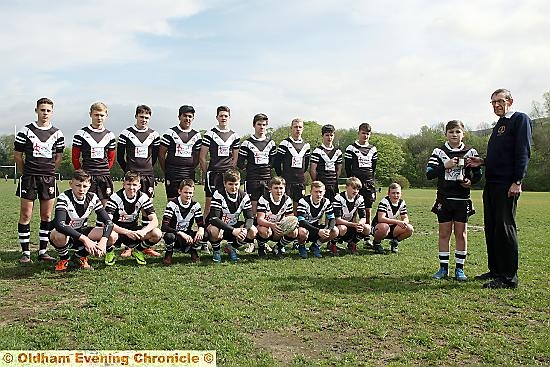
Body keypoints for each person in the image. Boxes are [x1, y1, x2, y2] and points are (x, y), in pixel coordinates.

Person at [467, 88, 533, 289]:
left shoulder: (519, 119)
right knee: (492, 227)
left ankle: (509, 277)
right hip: (492, 183)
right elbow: (500, 155)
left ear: (510, 101)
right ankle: (495, 270)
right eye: (493, 102)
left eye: (500, 101)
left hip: (507, 184)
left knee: (505, 227)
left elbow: (523, 152)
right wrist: (483, 161)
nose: (496, 105)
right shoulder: (499, 125)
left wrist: (517, 181)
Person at [427, 120, 482, 281]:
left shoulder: (471, 152)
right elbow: (429, 173)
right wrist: (445, 165)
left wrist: (470, 182)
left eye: (457, 132)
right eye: (451, 132)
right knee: (444, 234)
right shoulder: (439, 151)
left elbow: (478, 175)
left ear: (463, 134)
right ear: (446, 134)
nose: (454, 135)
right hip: (444, 199)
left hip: (462, 199)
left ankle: (460, 269)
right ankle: (443, 268)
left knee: (461, 234)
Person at [14, 97, 65, 264]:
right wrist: (26, 173)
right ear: (36, 110)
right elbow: (17, 155)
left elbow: (58, 157)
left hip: (48, 178)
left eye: (48, 110)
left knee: (46, 215)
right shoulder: (26, 131)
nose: (45, 113)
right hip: (29, 177)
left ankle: (43, 251)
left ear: (52, 112)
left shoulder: (58, 133)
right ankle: (26, 253)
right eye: (42, 110)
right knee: (26, 214)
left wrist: (49, 172)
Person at [49, 170, 118, 271]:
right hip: (65, 234)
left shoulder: (93, 198)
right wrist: (86, 240)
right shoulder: (64, 197)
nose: (81, 189)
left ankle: (79, 257)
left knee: (112, 236)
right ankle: (64, 259)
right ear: (71, 184)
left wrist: (103, 241)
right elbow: (60, 224)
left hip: (80, 231)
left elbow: (109, 222)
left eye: (84, 186)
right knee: (59, 235)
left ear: (89, 185)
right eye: (78, 185)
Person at [117, 105, 162, 258]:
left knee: (146, 209)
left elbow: (154, 156)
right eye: (141, 117)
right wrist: (129, 172)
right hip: (132, 175)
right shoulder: (126, 133)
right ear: (136, 116)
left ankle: (142, 245)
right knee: (129, 207)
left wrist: (146, 169)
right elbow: (119, 157)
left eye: (147, 117)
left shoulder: (154, 135)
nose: (144, 120)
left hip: (148, 176)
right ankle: (128, 245)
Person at [103, 171, 162, 266]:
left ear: (139, 186)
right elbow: (107, 222)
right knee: (110, 235)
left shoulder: (143, 197)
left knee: (157, 233)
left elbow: (155, 221)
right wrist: (126, 232)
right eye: (128, 184)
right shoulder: (115, 197)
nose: (131, 187)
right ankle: (110, 251)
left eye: (134, 184)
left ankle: (138, 250)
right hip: (118, 232)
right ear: (123, 185)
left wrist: (143, 231)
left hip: (134, 231)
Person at [206, 169, 257, 263]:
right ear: (224, 183)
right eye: (230, 184)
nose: (234, 187)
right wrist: (233, 230)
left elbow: (249, 217)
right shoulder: (218, 194)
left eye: (236, 184)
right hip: (220, 226)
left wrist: (245, 229)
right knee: (214, 230)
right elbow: (214, 218)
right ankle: (216, 251)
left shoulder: (244, 196)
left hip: (234, 226)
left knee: (253, 231)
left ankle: (231, 248)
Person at [72, 102, 116, 205]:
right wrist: (82, 173)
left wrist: (102, 170)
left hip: (104, 176)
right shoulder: (81, 134)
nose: (99, 118)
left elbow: (111, 158)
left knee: (106, 210)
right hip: (87, 175)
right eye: (96, 115)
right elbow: (75, 158)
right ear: (90, 114)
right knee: (83, 209)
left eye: (102, 115)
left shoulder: (110, 135)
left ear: (106, 115)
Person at [200, 106, 240, 218]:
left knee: (226, 205)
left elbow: (235, 158)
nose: (223, 118)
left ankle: (223, 230)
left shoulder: (234, 136)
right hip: (213, 173)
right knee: (209, 205)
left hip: (227, 174)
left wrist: (231, 171)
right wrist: (205, 173)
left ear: (229, 117)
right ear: (217, 117)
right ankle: (203, 230)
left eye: (226, 116)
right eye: (221, 115)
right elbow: (202, 157)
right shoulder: (209, 134)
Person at [158, 105, 202, 200]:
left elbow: (197, 156)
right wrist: (166, 170)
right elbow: (161, 154)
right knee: (172, 203)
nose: (187, 118)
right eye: (185, 116)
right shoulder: (170, 133)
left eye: (190, 116)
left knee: (187, 202)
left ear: (193, 118)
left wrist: (190, 167)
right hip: (172, 173)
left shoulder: (197, 135)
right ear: (179, 117)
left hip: (188, 174)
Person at [344, 123, 377, 247]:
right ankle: (352, 236)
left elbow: (373, 168)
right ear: (358, 133)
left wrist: (370, 180)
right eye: (363, 133)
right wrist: (352, 181)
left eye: (368, 133)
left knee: (368, 211)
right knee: (353, 210)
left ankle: (366, 236)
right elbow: (348, 167)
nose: (365, 136)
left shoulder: (373, 149)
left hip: (368, 184)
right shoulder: (351, 148)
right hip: (355, 183)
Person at [237, 113, 277, 215]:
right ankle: (252, 229)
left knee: (267, 207)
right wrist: (250, 169)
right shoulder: (247, 143)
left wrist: (266, 168)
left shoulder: (271, 143)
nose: (262, 127)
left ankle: (263, 230)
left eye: (264, 125)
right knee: (252, 207)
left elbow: (273, 162)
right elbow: (240, 163)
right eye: (259, 124)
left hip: (267, 179)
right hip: (252, 179)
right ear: (254, 125)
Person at [161, 179, 205, 265]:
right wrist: (180, 233)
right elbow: (164, 226)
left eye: (190, 193)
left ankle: (193, 250)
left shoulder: (195, 205)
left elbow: (200, 223)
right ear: (179, 191)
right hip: (175, 235)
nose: (188, 195)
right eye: (185, 192)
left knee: (205, 234)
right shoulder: (172, 204)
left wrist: (201, 229)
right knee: (169, 236)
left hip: (188, 236)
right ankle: (169, 253)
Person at [274, 118, 311, 214]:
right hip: (287, 180)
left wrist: (300, 174)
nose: (298, 129)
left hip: (299, 181)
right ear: (291, 128)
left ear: (303, 129)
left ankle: (296, 226)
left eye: (300, 127)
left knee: (298, 207)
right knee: (285, 207)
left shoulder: (306, 145)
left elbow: (306, 163)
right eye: (295, 127)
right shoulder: (285, 143)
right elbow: (277, 162)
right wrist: (281, 176)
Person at [256, 177, 297, 258]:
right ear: (270, 189)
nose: (279, 191)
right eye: (276, 188)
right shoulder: (264, 199)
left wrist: (288, 225)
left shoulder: (287, 200)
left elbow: (290, 217)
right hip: (267, 227)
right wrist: (272, 225)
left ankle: (278, 247)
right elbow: (259, 219)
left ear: (284, 189)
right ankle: (261, 247)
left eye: (281, 188)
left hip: (279, 227)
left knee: (294, 232)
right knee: (263, 230)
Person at [296, 181, 339, 259]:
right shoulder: (303, 201)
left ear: (324, 192)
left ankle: (316, 246)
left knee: (335, 230)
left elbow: (332, 218)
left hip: (316, 228)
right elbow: (301, 221)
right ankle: (301, 246)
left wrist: (328, 230)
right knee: (302, 232)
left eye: (320, 192)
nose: (318, 194)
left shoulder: (326, 202)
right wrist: (318, 231)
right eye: (316, 192)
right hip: (305, 228)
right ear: (310, 192)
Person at [371, 183, 413, 254]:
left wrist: (405, 222)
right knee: (384, 227)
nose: (396, 195)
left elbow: (405, 217)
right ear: (388, 194)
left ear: (401, 194)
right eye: (393, 193)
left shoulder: (402, 203)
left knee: (409, 229)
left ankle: (394, 242)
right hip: (379, 227)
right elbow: (381, 219)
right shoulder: (384, 202)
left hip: (391, 227)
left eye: (398, 193)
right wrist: (397, 222)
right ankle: (376, 243)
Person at [332, 177, 369, 256]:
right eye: (354, 188)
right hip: (337, 227)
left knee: (367, 228)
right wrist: (354, 224)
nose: (356, 191)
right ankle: (333, 244)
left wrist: (360, 224)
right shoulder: (338, 198)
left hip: (350, 226)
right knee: (342, 228)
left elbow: (363, 217)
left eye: (358, 189)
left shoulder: (360, 199)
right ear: (346, 187)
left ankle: (352, 244)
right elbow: (337, 220)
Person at [310, 124, 343, 203]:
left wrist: (333, 180)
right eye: (327, 135)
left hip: (333, 185)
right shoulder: (317, 151)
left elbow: (339, 170)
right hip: (321, 185)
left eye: (331, 135)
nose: (329, 137)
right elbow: (313, 170)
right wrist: (317, 182)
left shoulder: (338, 152)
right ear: (322, 136)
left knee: (333, 208)